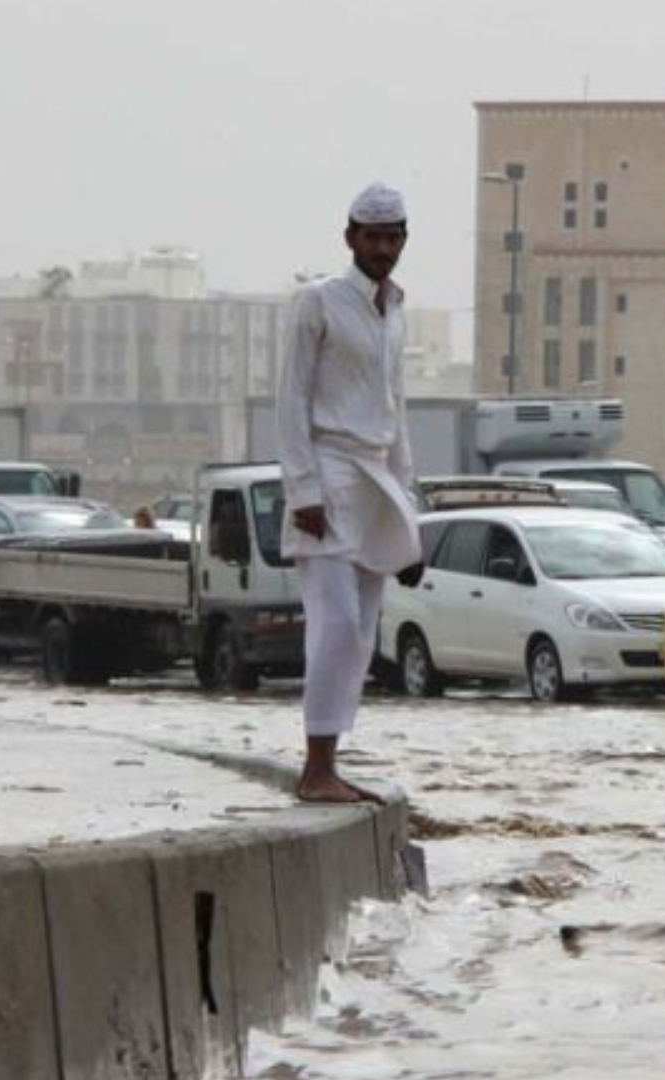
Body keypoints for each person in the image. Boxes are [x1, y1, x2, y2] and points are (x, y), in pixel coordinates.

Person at [275, 182, 423, 805]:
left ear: (403, 240)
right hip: (328, 474)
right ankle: (314, 767)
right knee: (333, 624)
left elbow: (397, 408)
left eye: (392, 238)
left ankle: (329, 763)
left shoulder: (396, 309)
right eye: (372, 237)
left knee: (362, 630)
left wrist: (410, 509)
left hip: (378, 479)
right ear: (350, 238)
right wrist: (302, 488)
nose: (382, 248)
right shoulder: (318, 302)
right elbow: (291, 399)